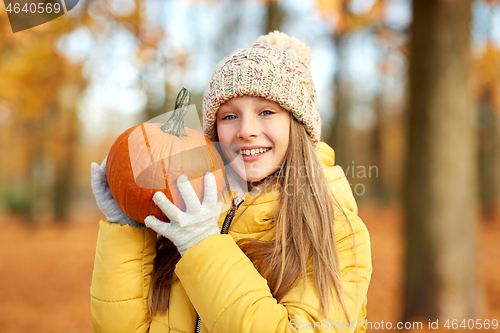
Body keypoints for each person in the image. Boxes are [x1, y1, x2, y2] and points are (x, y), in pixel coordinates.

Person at [90, 31, 372, 333]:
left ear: (298, 124)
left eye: (266, 112)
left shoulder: (337, 230)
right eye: (229, 117)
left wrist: (203, 245)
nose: (246, 130)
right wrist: (128, 228)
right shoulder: (184, 213)